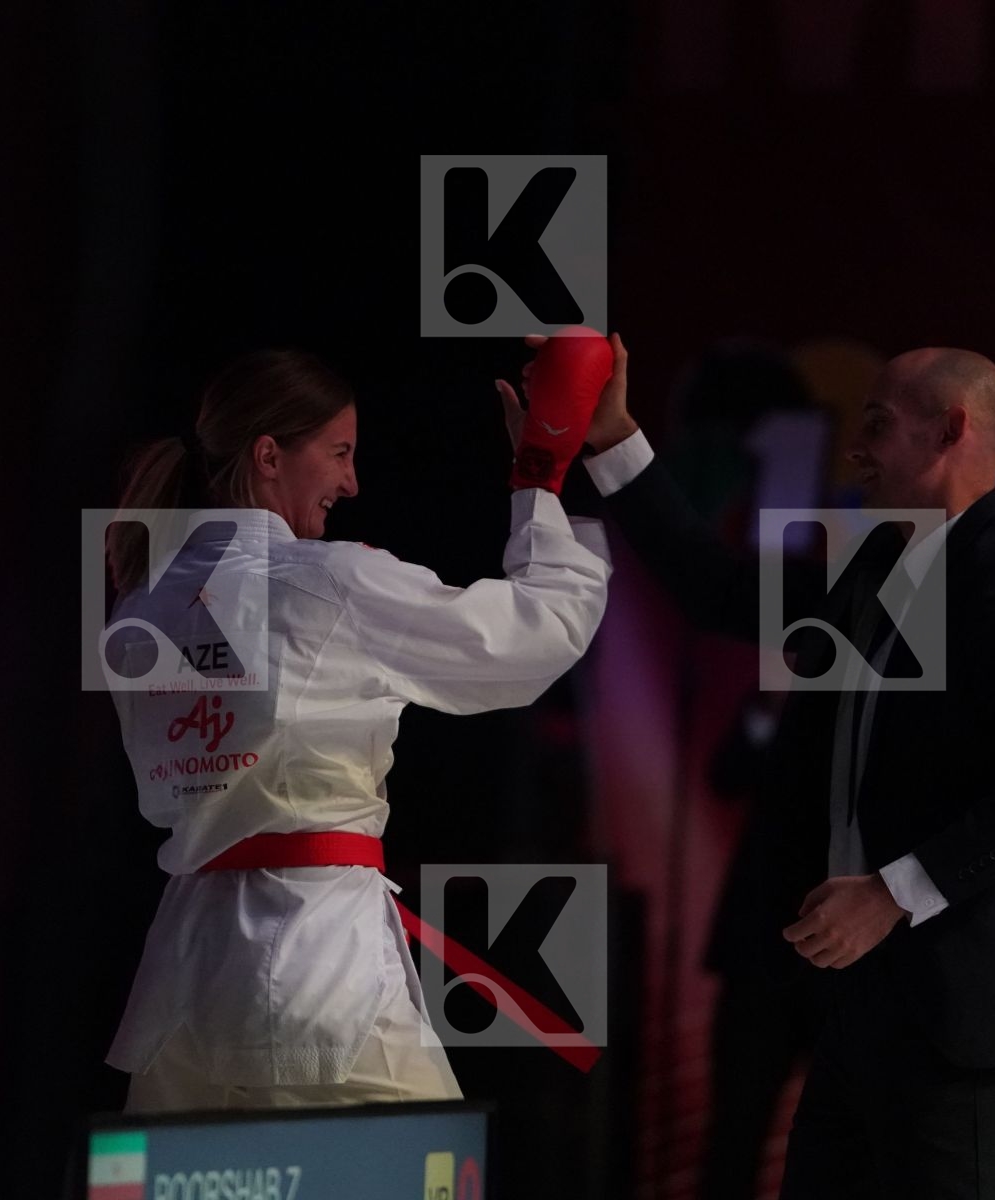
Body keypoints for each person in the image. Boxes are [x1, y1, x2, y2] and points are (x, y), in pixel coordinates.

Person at [537, 334, 995, 1199]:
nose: (853, 449)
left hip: (959, 1024)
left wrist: (891, 893)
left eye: (875, 423)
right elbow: (718, 589)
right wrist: (614, 438)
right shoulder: (878, 568)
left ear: (950, 430)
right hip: (860, 1011)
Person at [101, 348, 612, 1112]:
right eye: (339, 453)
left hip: (182, 987)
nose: (352, 482)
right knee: (427, 1164)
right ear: (269, 455)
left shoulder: (142, 599)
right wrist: (540, 474)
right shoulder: (325, 584)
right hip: (313, 973)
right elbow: (541, 632)